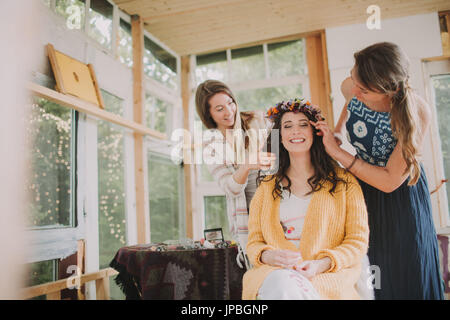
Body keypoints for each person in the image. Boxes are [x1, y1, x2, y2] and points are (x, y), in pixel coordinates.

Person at [313, 42, 444, 299]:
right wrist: (336, 133)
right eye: (354, 79)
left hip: (400, 202)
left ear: (389, 89)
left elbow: (389, 181)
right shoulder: (353, 87)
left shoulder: (416, 112)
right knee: (371, 274)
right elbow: (348, 111)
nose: (355, 90)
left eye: (363, 89)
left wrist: (338, 153)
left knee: (405, 272)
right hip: (362, 193)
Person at [242, 99, 369, 300]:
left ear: (315, 132)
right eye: (287, 126)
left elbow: (357, 242)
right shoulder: (266, 187)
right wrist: (269, 256)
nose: (295, 131)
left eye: (303, 125)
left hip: (327, 275)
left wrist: (320, 265)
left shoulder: (345, 183)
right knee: (283, 285)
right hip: (276, 275)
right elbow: (254, 242)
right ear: (280, 136)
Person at [195, 80, 275, 269]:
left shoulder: (257, 120)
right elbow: (230, 188)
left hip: (277, 207)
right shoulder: (211, 143)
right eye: (220, 108)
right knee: (261, 275)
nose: (229, 111)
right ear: (209, 114)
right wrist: (246, 165)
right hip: (249, 219)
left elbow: (287, 138)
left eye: (231, 102)